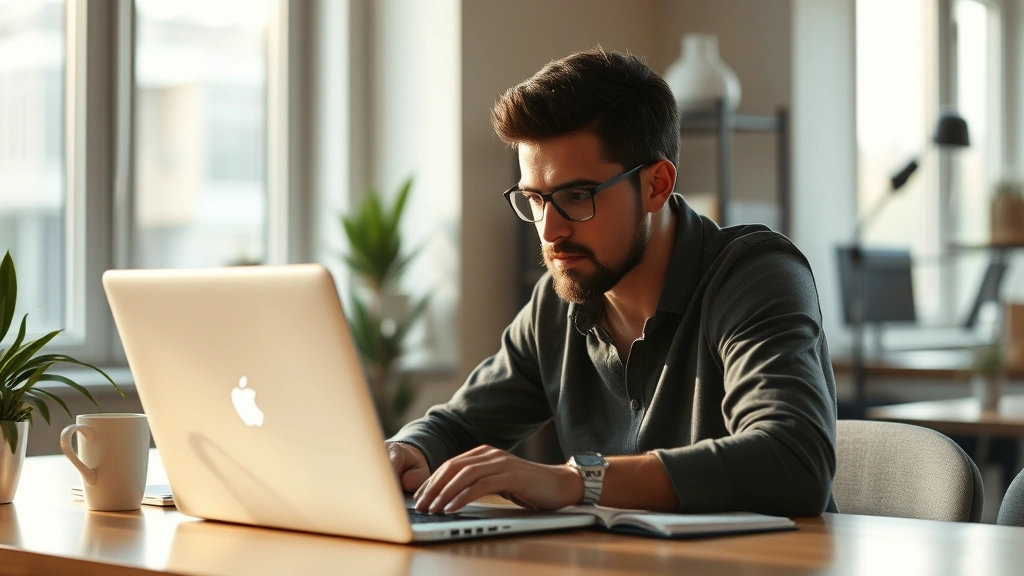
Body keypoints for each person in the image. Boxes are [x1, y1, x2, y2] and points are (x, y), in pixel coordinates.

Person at [387, 48, 838, 517]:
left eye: (577, 196)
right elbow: (460, 426)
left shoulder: (755, 276)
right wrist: (407, 451)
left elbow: (792, 459)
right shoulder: (558, 302)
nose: (549, 230)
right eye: (534, 200)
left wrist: (577, 482)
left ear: (657, 185)